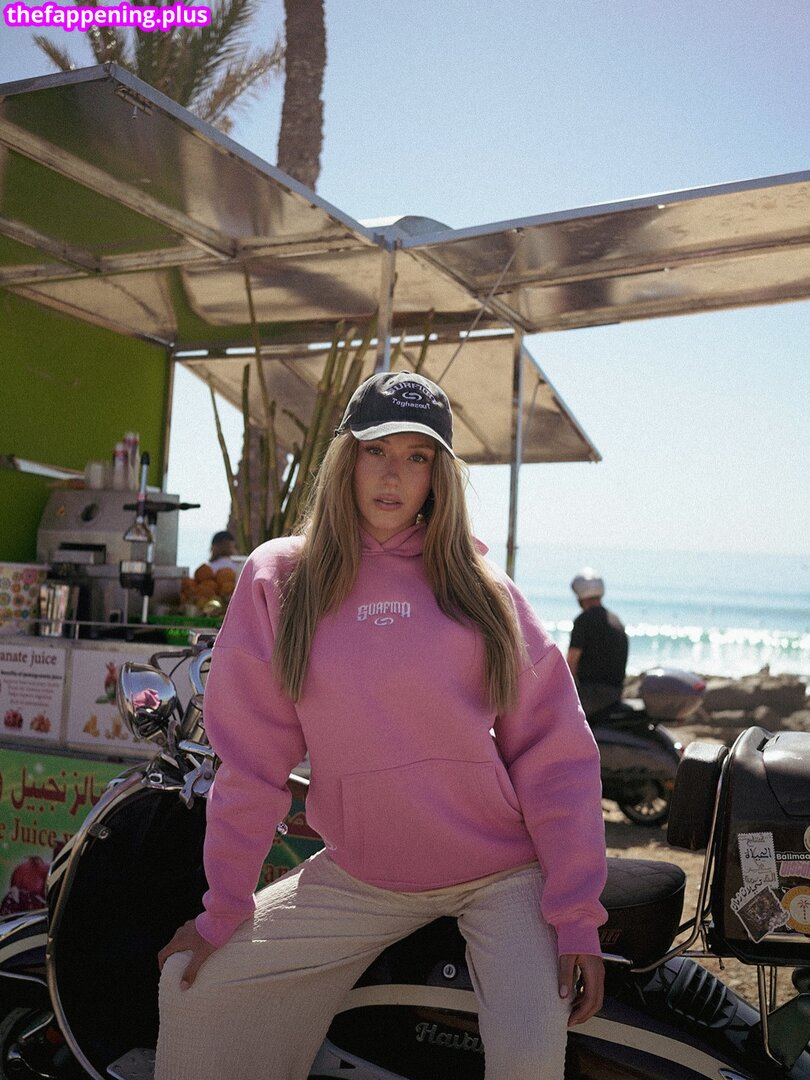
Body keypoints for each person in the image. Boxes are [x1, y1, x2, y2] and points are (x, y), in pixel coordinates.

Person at [156, 370, 608, 1080]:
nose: (394, 475)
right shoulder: (283, 578)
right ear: (348, 458)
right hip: (362, 876)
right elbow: (252, 762)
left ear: (438, 475)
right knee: (194, 988)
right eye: (376, 451)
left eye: (417, 456)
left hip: (501, 874)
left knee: (527, 1055)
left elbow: (556, 755)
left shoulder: (483, 589)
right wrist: (224, 908)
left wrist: (577, 916)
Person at [566, 568, 629, 718]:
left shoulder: (583, 620)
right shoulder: (616, 620)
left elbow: (571, 664)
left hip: (592, 695)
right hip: (616, 693)